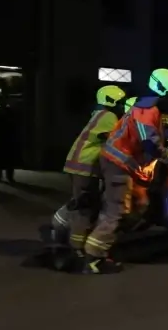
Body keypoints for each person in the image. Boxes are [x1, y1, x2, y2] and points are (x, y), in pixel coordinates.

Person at [82, 68, 168, 274]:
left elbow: (159, 122)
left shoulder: (149, 107)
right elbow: (150, 143)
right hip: (118, 163)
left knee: (139, 205)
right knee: (116, 210)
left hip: (124, 163)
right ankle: (93, 258)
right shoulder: (146, 111)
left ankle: (104, 240)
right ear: (162, 91)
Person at [51, 85, 127, 265]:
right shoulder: (109, 117)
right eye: (120, 102)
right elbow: (116, 138)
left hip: (79, 166)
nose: (122, 106)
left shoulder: (98, 114)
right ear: (112, 101)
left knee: (84, 205)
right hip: (85, 167)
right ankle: (75, 249)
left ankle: (68, 238)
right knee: (84, 209)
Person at [0, 96, 20, 182]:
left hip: (0, 137)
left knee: (0, 157)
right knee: (8, 158)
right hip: (6, 137)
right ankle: (8, 176)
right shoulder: (10, 112)